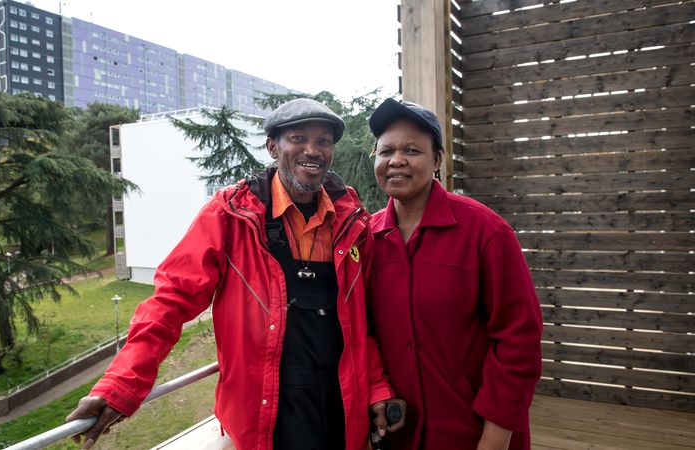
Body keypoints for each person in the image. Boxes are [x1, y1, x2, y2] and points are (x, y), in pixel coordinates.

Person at [66, 98, 406, 450]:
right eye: (298, 138)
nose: (313, 150)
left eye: (323, 141)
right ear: (273, 147)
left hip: (341, 413)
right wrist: (121, 384)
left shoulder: (352, 221)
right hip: (262, 419)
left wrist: (377, 387)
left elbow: (362, 324)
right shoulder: (230, 215)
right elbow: (172, 301)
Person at [365, 98, 543, 450]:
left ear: (436, 160)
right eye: (386, 151)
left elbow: (519, 341)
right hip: (401, 434)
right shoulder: (367, 239)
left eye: (412, 150)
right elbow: (363, 332)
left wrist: (494, 437)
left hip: (473, 432)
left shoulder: (486, 233)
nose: (396, 160)